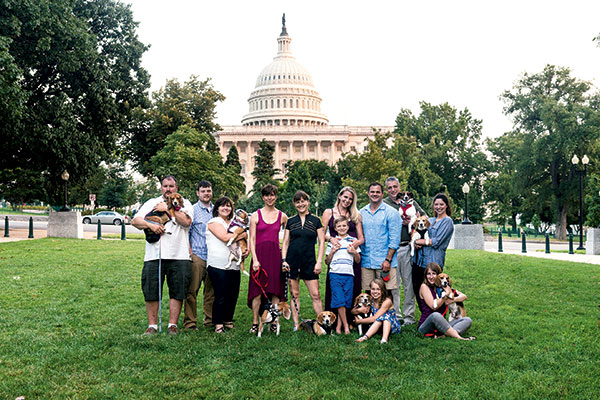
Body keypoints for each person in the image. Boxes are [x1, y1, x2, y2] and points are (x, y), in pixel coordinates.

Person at [132, 175, 193, 336]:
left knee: (177, 291)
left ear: (176, 188)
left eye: (171, 186)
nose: (168, 189)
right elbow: (135, 221)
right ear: (161, 188)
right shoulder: (152, 202)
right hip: (154, 255)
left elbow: (186, 222)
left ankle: (172, 325)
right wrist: (150, 225)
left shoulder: (184, 203)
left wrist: (167, 208)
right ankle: (152, 325)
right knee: (151, 290)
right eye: (165, 186)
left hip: (179, 255)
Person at [383, 177, 425, 325]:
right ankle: (396, 314)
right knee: (393, 285)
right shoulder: (384, 204)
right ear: (386, 190)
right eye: (389, 188)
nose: (393, 190)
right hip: (390, 250)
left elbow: (424, 217)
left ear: (399, 188)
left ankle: (409, 316)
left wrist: (414, 223)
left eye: (395, 187)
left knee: (408, 284)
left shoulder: (411, 203)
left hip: (406, 247)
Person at [281, 190, 325, 330]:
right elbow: (285, 242)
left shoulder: (316, 221)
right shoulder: (290, 221)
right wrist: (284, 260)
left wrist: (319, 262)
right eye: (297, 202)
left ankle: (323, 324)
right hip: (292, 262)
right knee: (295, 294)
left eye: (303, 201)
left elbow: (322, 242)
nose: (301, 204)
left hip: (309, 262)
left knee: (315, 294)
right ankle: (296, 324)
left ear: (308, 202)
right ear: (294, 204)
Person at [247, 184, 288, 334]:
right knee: (257, 291)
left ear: (276, 196)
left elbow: (287, 238)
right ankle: (255, 322)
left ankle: (274, 321)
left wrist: (283, 254)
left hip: (275, 257)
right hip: (259, 256)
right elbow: (252, 239)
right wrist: (255, 259)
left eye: (272, 195)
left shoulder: (283, 216)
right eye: (266, 195)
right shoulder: (255, 215)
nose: (269, 198)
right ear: (263, 197)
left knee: (275, 291)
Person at [206, 196, 249, 333]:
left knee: (233, 294)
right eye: (223, 205)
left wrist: (245, 249)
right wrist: (243, 234)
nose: (226, 208)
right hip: (218, 264)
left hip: (234, 264)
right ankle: (218, 324)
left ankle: (228, 320)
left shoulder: (233, 222)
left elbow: (244, 238)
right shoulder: (214, 222)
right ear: (217, 208)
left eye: (228, 206)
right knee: (221, 294)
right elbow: (225, 237)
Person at [322, 186, 364, 320]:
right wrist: (331, 239)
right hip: (336, 255)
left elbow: (361, 238)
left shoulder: (355, 215)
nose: (347, 201)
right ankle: (333, 319)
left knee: (351, 287)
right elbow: (322, 233)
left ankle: (351, 319)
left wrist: (354, 245)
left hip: (351, 255)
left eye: (350, 199)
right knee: (335, 288)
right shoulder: (329, 212)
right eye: (345, 197)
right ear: (339, 196)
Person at [359, 182, 401, 303]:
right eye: (372, 192)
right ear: (368, 193)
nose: (375, 194)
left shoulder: (391, 212)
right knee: (368, 293)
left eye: (378, 192)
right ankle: (371, 315)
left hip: (385, 262)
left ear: (382, 194)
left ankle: (388, 315)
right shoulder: (362, 212)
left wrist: (388, 260)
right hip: (366, 261)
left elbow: (394, 239)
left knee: (386, 294)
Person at [184, 180, 215, 330]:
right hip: (197, 255)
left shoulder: (217, 210)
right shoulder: (192, 210)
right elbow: (187, 233)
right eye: (203, 191)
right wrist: (190, 253)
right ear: (198, 193)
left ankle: (210, 320)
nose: (206, 193)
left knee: (211, 292)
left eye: (208, 191)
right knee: (192, 291)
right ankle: (190, 322)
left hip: (214, 257)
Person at [417, 262, 474, 340]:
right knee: (436, 315)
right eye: (428, 274)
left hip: (441, 324)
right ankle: (460, 338)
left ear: (438, 275)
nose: (431, 277)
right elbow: (434, 307)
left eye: (434, 274)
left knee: (467, 320)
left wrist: (452, 300)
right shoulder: (424, 286)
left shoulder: (442, 287)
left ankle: (445, 335)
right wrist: (446, 295)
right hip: (426, 325)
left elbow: (463, 296)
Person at [325, 215, 361, 334]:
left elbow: (358, 260)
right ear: (335, 228)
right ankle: (345, 326)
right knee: (339, 300)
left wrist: (354, 252)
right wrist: (332, 251)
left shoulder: (353, 241)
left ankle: (338, 327)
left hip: (349, 274)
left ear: (348, 227)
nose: (342, 228)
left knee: (345, 301)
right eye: (339, 226)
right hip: (335, 274)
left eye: (344, 225)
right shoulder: (333, 242)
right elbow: (327, 261)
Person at [412, 193, 454, 294]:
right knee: (418, 291)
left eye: (441, 204)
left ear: (446, 205)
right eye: (436, 204)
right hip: (419, 261)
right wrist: (416, 243)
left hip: (433, 262)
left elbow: (436, 242)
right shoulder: (430, 220)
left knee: (432, 292)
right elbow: (419, 232)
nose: (438, 207)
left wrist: (416, 241)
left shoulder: (447, 221)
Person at [353, 278, 401, 343]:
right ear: (370, 290)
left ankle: (384, 339)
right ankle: (364, 337)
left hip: (392, 326)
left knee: (384, 317)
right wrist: (360, 310)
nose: (375, 292)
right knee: (379, 319)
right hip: (378, 325)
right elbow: (352, 311)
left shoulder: (387, 301)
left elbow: (374, 318)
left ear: (382, 291)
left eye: (378, 289)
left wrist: (359, 321)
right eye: (373, 289)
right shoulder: (370, 300)